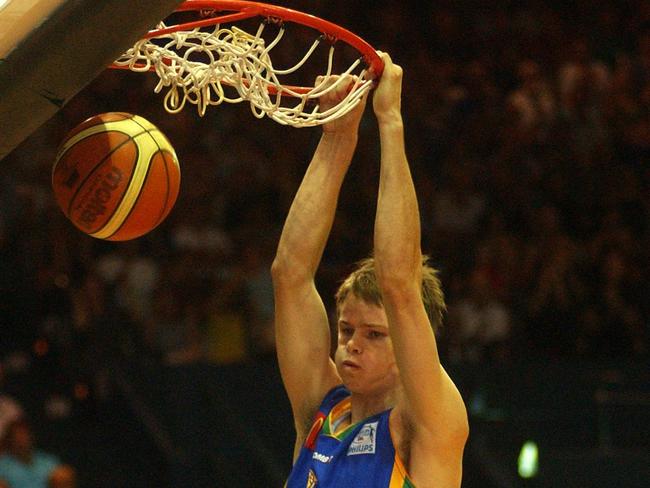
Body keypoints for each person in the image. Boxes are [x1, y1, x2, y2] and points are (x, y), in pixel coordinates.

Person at [271, 52, 469, 488]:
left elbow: (399, 284)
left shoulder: (426, 423)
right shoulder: (320, 410)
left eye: (374, 334)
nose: (351, 347)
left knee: (398, 287)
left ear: (409, 343)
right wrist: (337, 138)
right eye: (346, 330)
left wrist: (390, 123)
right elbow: (290, 273)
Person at [0, 419, 76, 488]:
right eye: (17, 436)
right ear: (10, 439)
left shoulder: (47, 460)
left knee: (64, 474)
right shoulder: (3, 465)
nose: (21, 440)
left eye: (24, 435)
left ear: (31, 437)